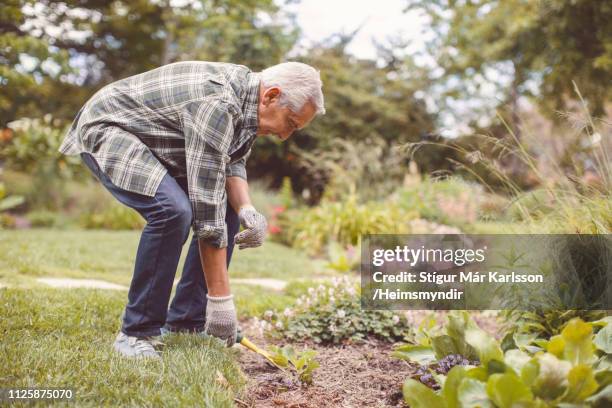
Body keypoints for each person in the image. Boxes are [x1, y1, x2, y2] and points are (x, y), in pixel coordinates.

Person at [58, 61, 325, 358]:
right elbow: (206, 207)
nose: (285, 135)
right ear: (271, 96)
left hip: (151, 140)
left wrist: (246, 208)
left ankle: (187, 321)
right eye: (290, 122)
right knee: (172, 211)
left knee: (228, 211)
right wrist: (222, 303)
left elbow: (231, 162)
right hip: (110, 127)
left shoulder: (248, 104)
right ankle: (136, 333)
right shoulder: (218, 104)